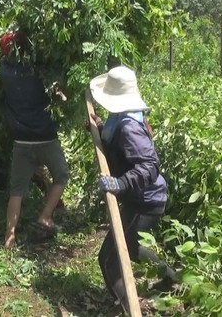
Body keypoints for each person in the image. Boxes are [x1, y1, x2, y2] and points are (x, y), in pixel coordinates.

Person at [88, 65, 179, 310]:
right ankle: (172, 279)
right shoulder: (121, 117)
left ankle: (129, 307)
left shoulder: (128, 127)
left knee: (108, 259)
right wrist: (98, 129)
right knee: (131, 247)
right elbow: (120, 153)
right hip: (145, 198)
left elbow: (150, 166)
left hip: (145, 201)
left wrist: (120, 183)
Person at [0, 28, 69, 249]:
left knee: (16, 190)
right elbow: (54, 85)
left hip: (21, 140)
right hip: (45, 137)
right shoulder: (37, 72)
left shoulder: (4, 71)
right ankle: (45, 216)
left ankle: (9, 236)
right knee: (61, 175)